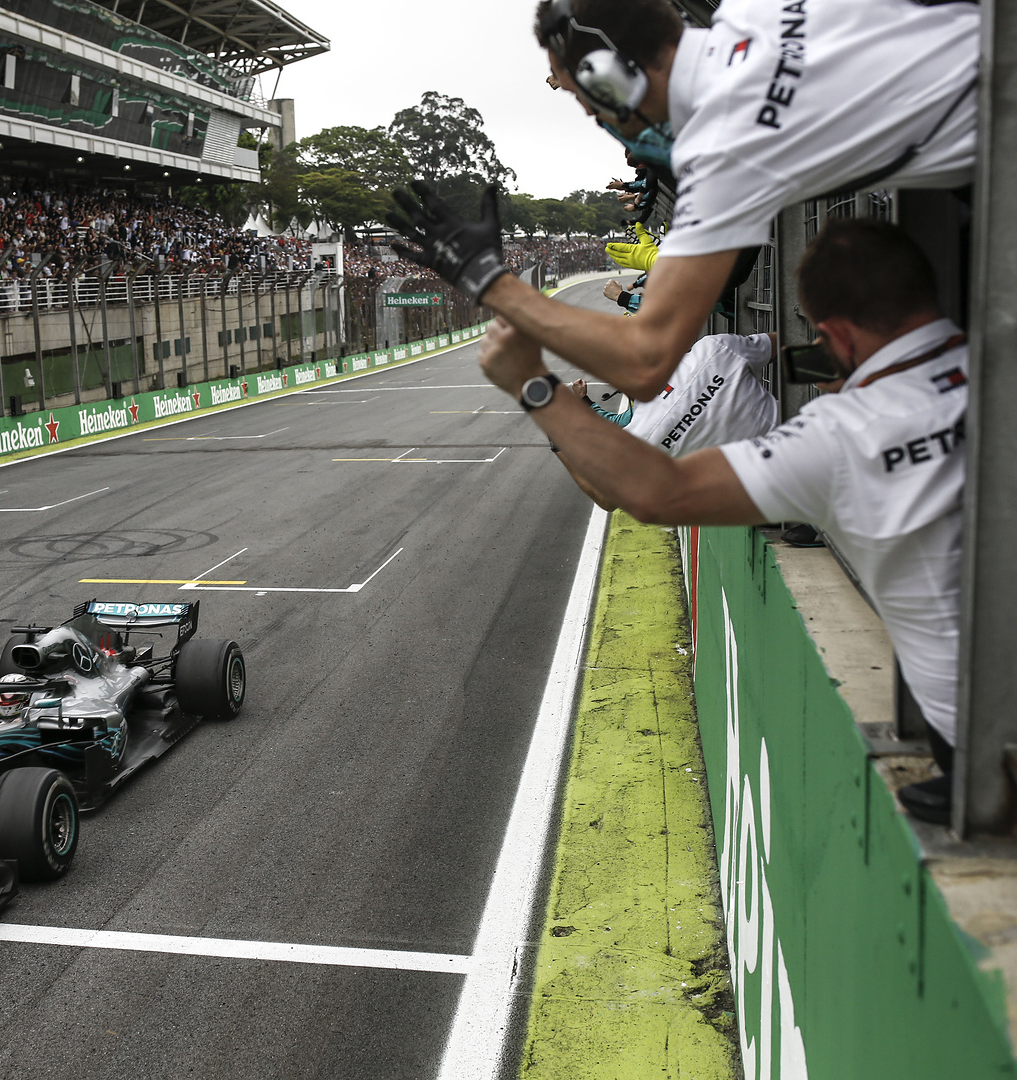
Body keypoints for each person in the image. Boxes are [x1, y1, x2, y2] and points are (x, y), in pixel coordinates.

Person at [479, 219, 967, 825]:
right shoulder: (1007, 366)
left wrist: (540, 397)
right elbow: (774, 350)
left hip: (971, 728)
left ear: (835, 330)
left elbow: (650, 495)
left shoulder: (838, 435)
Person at [390, 0, 978, 400]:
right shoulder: (755, 9)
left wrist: (490, 280)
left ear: (608, 78)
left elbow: (646, 362)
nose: (593, 117)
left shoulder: (724, 151)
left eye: (582, 98)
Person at [558, 331, 778, 509]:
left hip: (773, 490)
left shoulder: (641, 437)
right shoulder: (714, 348)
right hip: (804, 437)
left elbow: (607, 499)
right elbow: (781, 341)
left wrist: (558, 443)